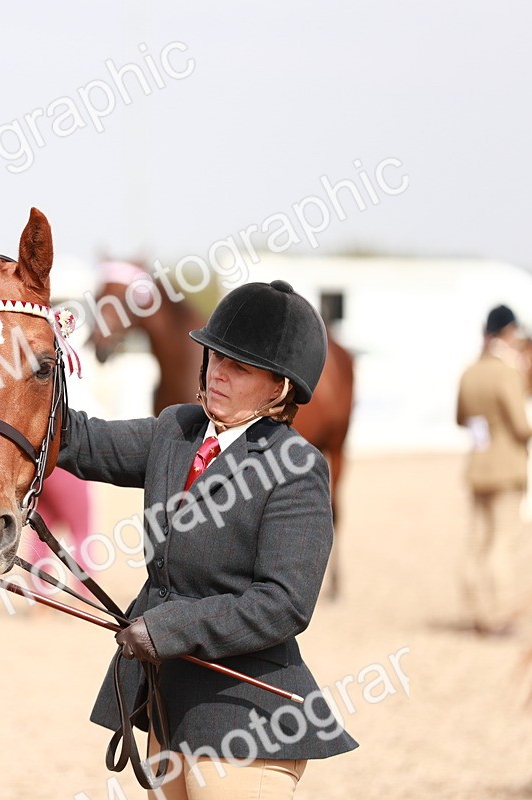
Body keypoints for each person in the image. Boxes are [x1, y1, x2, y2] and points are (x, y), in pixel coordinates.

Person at [58, 280, 357, 799]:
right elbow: (81, 442)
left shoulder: (298, 468)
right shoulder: (178, 428)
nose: (217, 372)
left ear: (280, 388)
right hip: (167, 710)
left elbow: (284, 603)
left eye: (238, 366)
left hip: (247, 722)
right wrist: (22, 372)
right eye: (215, 356)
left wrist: (168, 628)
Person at [455, 304, 532, 636]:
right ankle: (499, 613)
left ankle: (476, 612)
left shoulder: (470, 372)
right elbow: (520, 423)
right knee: (503, 542)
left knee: (477, 542)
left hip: (478, 465)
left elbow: (460, 418)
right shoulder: (507, 373)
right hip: (506, 466)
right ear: (508, 333)